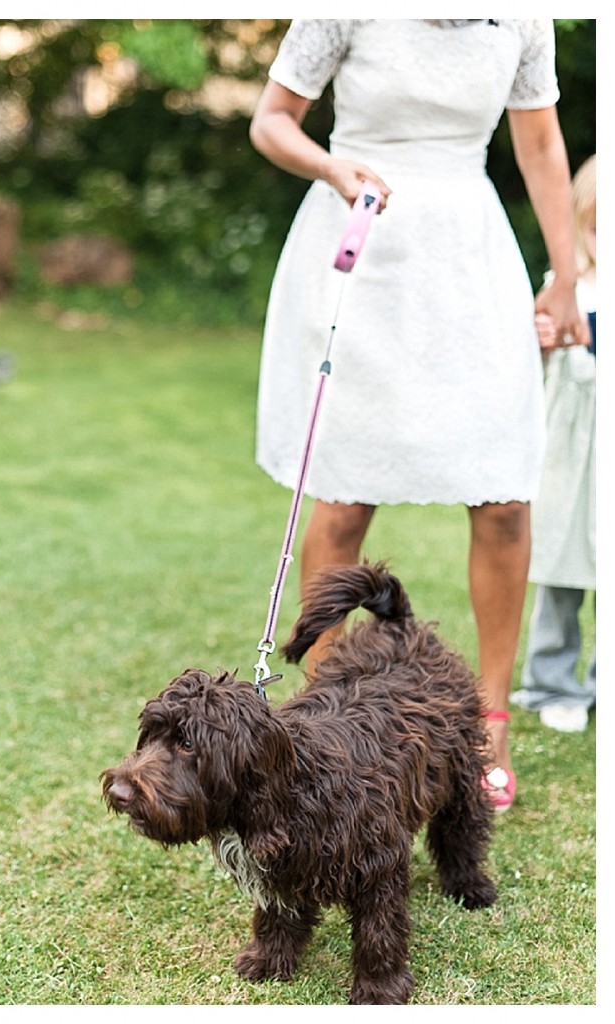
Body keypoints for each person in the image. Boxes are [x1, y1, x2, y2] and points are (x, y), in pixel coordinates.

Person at [249, 19, 588, 813]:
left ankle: (489, 722)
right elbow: (270, 121)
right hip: (360, 251)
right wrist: (332, 167)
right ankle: (323, 722)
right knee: (344, 499)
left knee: (504, 494)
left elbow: (540, 147)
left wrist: (565, 277)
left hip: (469, 262)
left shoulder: (524, 16)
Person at [512, 155, 596, 733]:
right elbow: (533, 364)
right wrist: (542, 341)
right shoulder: (566, 288)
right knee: (561, 575)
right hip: (571, 458)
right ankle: (552, 684)